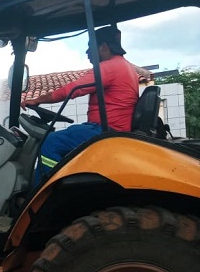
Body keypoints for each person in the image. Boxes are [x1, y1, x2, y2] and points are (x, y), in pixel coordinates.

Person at [21, 26, 140, 179]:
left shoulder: (109, 67)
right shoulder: (126, 67)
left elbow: (73, 89)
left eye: (90, 46)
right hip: (110, 130)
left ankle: (44, 191)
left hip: (104, 132)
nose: (87, 52)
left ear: (104, 47)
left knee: (50, 142)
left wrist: (38, 100)